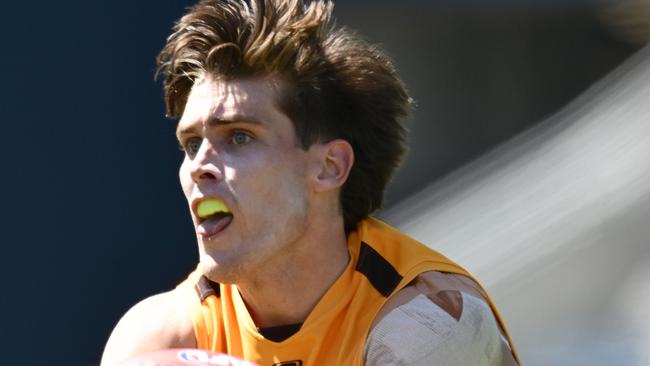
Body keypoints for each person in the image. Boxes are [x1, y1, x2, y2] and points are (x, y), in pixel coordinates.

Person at [101, 0, 520, 365]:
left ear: (329, 166)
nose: (199, 167)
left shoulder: (423, 325)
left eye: (240, 137)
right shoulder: (160, 341)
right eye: (191, 144)